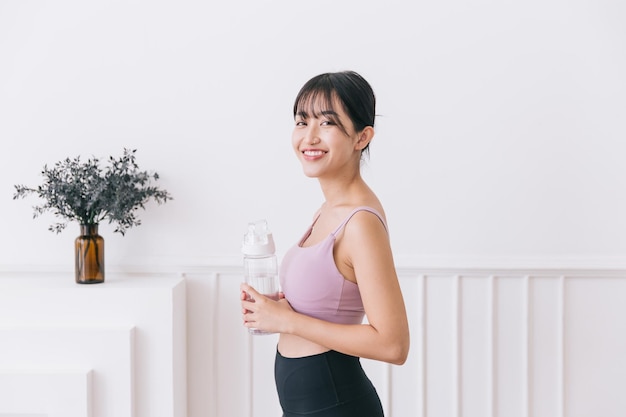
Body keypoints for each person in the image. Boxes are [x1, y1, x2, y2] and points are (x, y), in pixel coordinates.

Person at [240, 70, 410, 417]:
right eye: (302, 122)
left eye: (327, 123)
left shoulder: (360, 222)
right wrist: (278, 309)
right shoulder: (329, 209)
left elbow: (393, 345)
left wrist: (287, 321)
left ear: (362, 137)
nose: (309, 136)